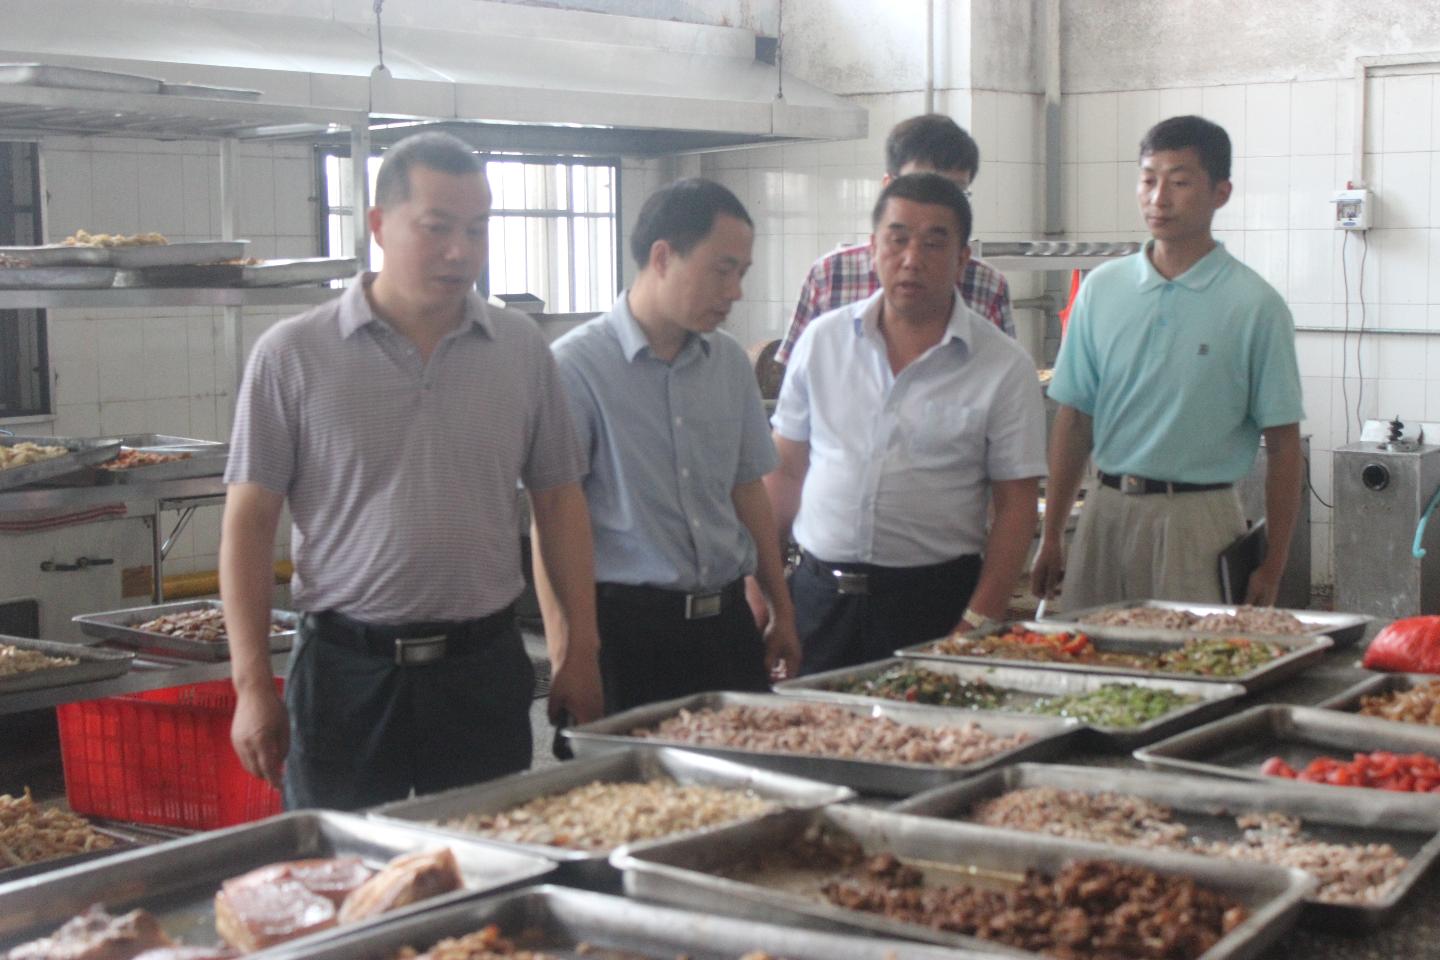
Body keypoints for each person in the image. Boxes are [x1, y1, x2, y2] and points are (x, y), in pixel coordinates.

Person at [220, 131, 603, 811]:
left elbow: (559, 502)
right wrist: (250, 686)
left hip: (481, 670)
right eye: (437, 227)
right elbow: (249, 525)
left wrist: (580, 651)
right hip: (346, 672)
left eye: (477, 230)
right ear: (378, 224)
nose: (461, 251)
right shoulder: (293, 354)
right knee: (342, 865)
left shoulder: (520, 349)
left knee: (485, 860)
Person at [767, 172, 1047, 675]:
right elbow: (786, 469)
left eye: (934, 243)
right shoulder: (823, 342)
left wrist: (977, 621)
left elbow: (1016, 506)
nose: (911, 259)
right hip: (818, 600)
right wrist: (764, 589)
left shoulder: (1003, 366)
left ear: (962, 259)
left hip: (933, 606)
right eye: (897, 240)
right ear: (873, 248)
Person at [541, 178, 800, 713]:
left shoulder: (728, 363)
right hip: (627, 633)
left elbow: (747, 490)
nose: (735, 292)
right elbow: (553, 518)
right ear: (662, 257)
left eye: (742, 273)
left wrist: (780, 606)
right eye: (722, 270)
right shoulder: (574, 369)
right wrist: (569, 651)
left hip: (726, 627)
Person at [1031, 115, 1304, 611]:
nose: (1159, 198)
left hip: (1198, 521)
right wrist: (1052, 535)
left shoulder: (1255, 305)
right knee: (1089, 652)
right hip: (1105, 512)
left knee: (1193, 657)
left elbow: (1285, 446)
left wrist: (1274, 563)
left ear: (1220, 193)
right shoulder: (1101, 290)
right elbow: (1074, 419)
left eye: (1179, 182)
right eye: (1148, 180)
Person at [775, 113, 1014, 366]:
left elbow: (1004, 371)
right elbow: (796, 374)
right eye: (921, 185)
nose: (938, 202)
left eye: (955, 191)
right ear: (888, 185)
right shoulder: (829, 275)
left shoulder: (987, 286)